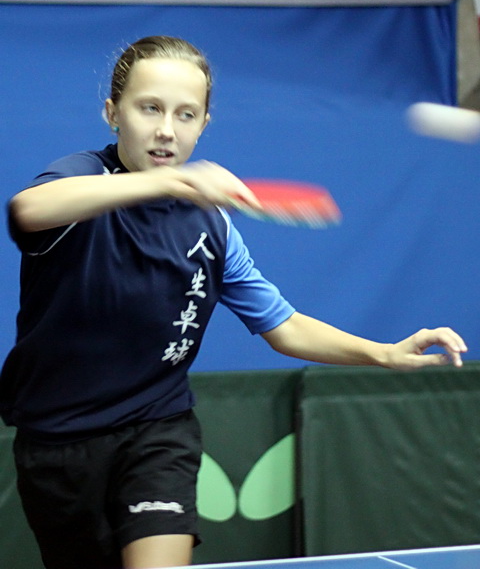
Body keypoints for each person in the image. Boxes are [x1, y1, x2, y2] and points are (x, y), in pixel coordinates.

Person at [0, 35, 467, 569]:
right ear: (113, 113)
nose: (166, 129)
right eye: (149, 108)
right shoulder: (80, 180)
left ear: (204, 124)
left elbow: (284, 327)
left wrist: (382, 353)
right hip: (58, 442)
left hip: (157, 429)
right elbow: (28, 210)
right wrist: (166, 183)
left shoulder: (212, 226)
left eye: (186, 114)